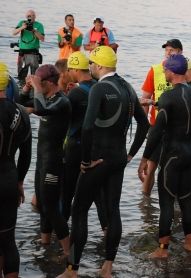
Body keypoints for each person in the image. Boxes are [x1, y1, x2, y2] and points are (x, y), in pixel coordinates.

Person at [58, 46, 149, 278]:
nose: (90, 67)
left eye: (92, 64)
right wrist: (130, 154)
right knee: (113, 210)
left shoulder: (99, 88)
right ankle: (107, 268)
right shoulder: (127, 87)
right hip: (118, 158)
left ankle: (72, 270)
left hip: (98, 160)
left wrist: (86, 160)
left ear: (98, 66)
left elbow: (87, 127)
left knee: (79, 209)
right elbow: (144, 124)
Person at [138, 54, 191, 258]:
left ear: (172, 72)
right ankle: (190, 243)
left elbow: (156, 131)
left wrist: (145, 158)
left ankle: (162, 249)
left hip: (172, 156)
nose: (163, 72)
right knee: (186, 201)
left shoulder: (168, 97)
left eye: (165, 70)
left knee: (166, 203)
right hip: (189, 154)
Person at [28, 64, 72, 255]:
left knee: (51, 207)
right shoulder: (46, 98)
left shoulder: (62, 101)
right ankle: (45, 243)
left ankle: (69, 254)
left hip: (54, 162)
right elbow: (23, 102)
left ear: (48, 82)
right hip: (42, 161)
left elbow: (41, 110)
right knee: (41, 205)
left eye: (40, 81)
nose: (37, 84)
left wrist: (37, 89)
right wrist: (26, 88)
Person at [63, 52, 108, 233]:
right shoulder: (100, 88)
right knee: (99, 195)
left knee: (66, 194)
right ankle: (107, 231)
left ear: (74, 69)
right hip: (96, 148)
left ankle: (62, 238)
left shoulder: (75, 93)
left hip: (75, 149)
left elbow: (63, 118)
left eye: (69, 69)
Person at [0, 63, 31, 278]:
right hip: (10, 179)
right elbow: (26, 155)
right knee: (8, 240)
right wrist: (19, 182)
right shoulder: (21, 113)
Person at [138, 40, 175, 195]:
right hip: (156, 125)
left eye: (171, 50)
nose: (168, 52)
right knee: (151, 166)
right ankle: (145, 204)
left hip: (175, 127)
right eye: (166, 50)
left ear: (180, 52)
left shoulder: (183, 71)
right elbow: (145, 98)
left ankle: (173, 203)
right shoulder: (155, 70)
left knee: (172, 167)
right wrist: (144, 123)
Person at [12, 9, 45, 85]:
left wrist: (33, 30)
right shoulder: (22, 23)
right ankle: (22, 88)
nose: (30, 17)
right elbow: (13, 33)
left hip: (33, 52)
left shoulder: (39, 25)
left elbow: (42, 39)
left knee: (34, 74)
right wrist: (22, 27)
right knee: (21, 74)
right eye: (28, 16)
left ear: (35, 16)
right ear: (26, 17)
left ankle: (34, 90)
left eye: (32, 16)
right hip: (22, 52)